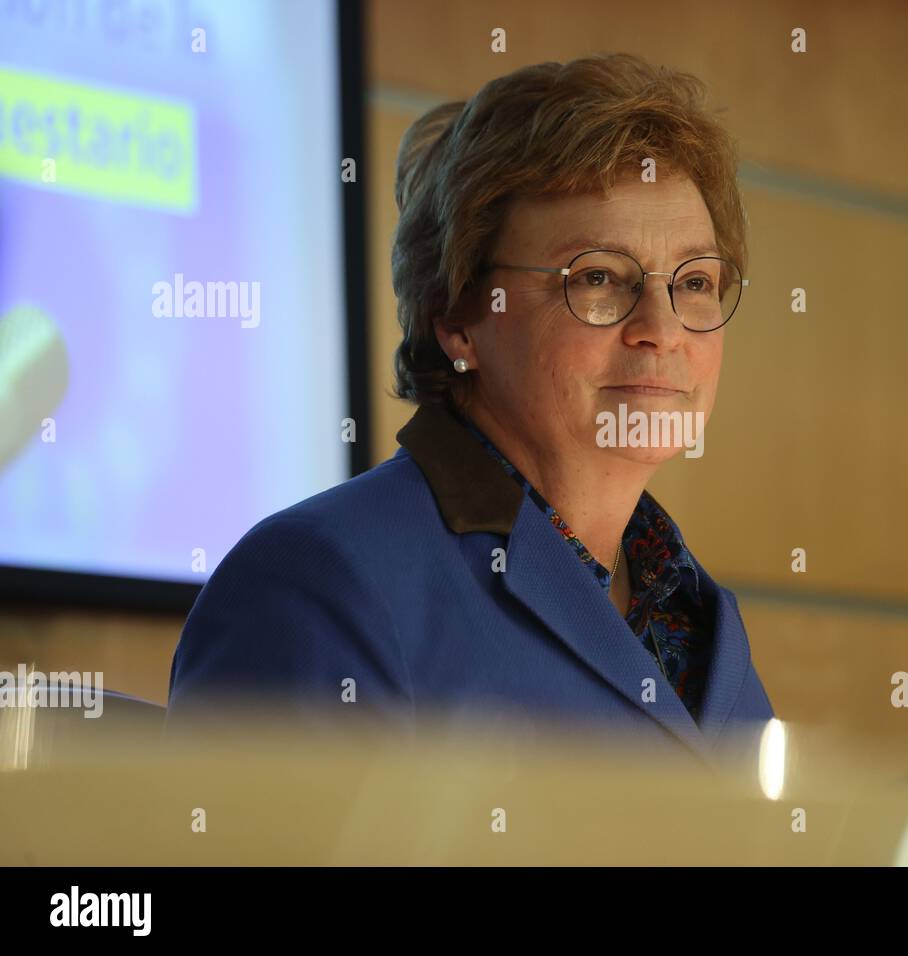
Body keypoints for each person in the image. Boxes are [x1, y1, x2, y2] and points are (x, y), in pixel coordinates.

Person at [167, 53, 775, 765]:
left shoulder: (704, 621)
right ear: (457, 315)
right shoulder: (315, 585)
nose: (664, 329)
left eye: (695, 281)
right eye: (600, 277)